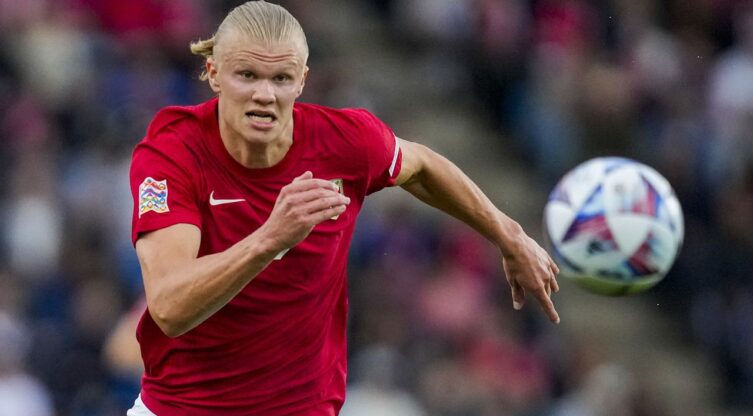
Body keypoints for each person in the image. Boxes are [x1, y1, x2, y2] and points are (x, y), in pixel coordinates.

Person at [127, 1, 560, 415]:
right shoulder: (173, 152)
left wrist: (508, 235)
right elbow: (169, 307)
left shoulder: (344, 142)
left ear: (302, 81)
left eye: (281, 78)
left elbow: (423, 167)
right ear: (213, 73)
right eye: (247, 75)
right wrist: (269, 239)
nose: (264, 94)